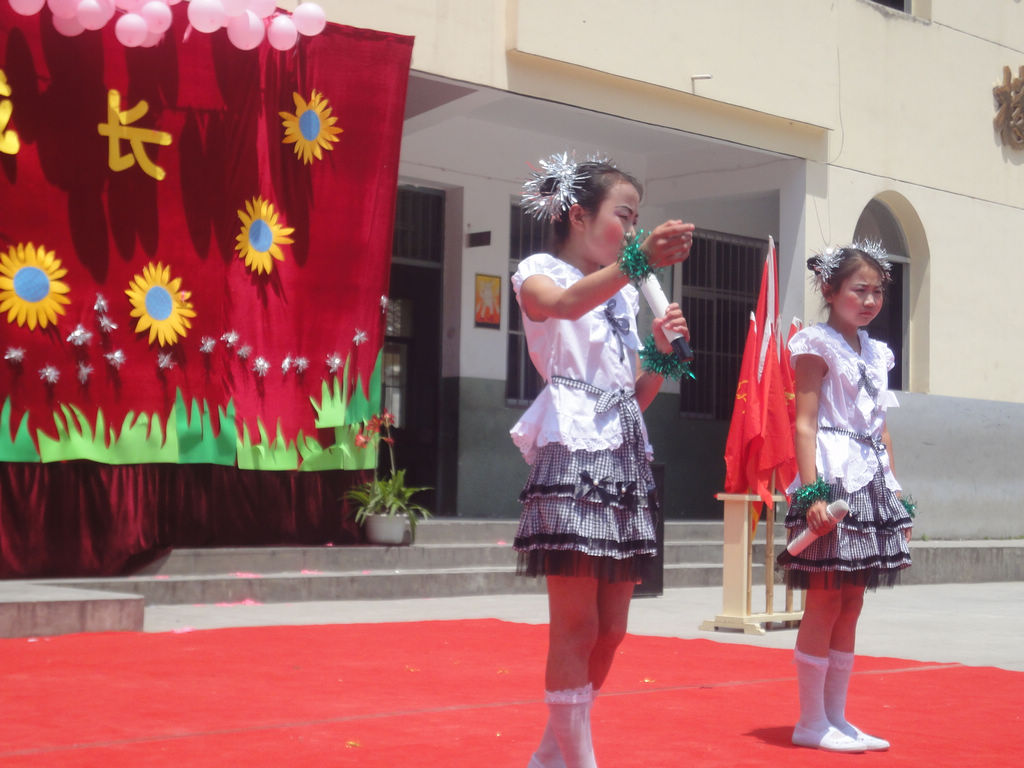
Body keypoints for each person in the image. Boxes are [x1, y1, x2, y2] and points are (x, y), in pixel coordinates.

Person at [510, 151, 694, 768]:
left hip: (623, 456)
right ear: (577, 215)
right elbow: (563, 306)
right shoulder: (538, 273)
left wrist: (662, 354)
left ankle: (550, 755)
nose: (633, 230)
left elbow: (633, 395)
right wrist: (637, 263)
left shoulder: (621, 297)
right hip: (571, 454)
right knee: (576, 626)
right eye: (625, 216)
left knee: (612, 629)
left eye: (637, 220)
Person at [780, 242, 914, 753]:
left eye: (878, 291)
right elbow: (804, 423)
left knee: (853, 600)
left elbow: (882, 430)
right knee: (826, 597)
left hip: (871, 479)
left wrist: (895, 494)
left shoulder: (877, 352)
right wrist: (812, 490)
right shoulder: (816, 343)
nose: (870, 300)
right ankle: (810, 720)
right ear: (829, 290)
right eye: (860, 290)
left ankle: (836, 716)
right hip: (832, 475)